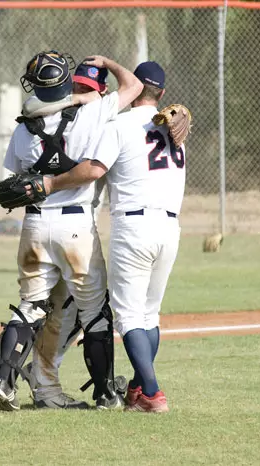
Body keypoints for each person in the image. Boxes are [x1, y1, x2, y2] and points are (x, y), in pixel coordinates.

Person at [0, 51, 143, 412]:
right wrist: (106, 64)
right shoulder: (91, 113)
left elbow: (15, 175)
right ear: (66, 83)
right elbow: (133, 86)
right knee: (94, 314)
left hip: (35, 223)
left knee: (29, 309)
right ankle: (106, 394)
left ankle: (4, 381)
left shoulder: (23, 128)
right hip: (75, 224)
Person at [39, 61, 187, 413]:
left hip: (135, 227)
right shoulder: (175, 129)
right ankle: (137, 389)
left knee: (128, 318)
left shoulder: (120, 124)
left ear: (135, 87)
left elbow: (93, 170)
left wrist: (51, 183)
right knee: (149, 316)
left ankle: (152, 393)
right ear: (162, 94)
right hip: (170, 227)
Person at [24, 63, 114, 409]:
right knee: (78, 310)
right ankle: (88, 387)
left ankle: (42, 376)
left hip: (71, 226)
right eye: (76, 86)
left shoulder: (101, 118)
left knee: (66, 311)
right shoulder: (81, 116)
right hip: (73, 229)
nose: (81, 93)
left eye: (88, 87)